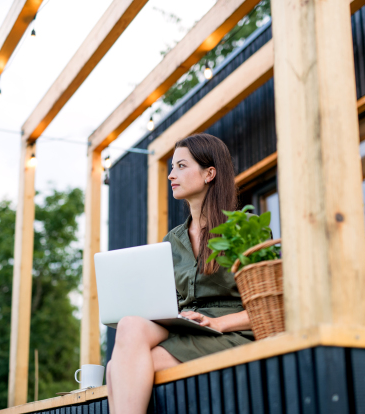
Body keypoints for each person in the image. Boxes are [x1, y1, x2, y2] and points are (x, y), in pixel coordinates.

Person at [105, 133, 254, 413]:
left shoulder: (246, 228)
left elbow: (269, 304)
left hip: (229, 333)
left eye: (181, 166)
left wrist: (218, 323)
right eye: (172, 167)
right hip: (187, 329)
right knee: (129, 324)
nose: (172, 175)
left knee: (117, 369)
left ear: (209, 173)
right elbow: (169, 302)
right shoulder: (172, 241)